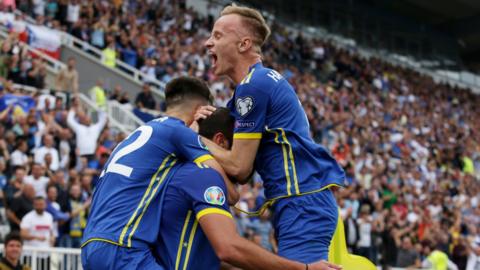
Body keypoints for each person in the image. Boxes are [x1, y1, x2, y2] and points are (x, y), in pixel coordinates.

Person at [202, 4, 345, 263]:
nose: (208, 42)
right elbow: (242, 173)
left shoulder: (254, 86)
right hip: (299, 202)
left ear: (244, 44)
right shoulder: (258, 84)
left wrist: (192, 138)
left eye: (218, 36)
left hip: (302, 203)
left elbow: (238, 166)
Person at [155, 108, 341, 270]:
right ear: (219, 141)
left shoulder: (184, 169)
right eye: (240, 149)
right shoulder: (202, 174)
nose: (248, 163)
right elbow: (228, 249)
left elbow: (213, 258)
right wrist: (304, 268)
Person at [81, 77, 238, 269]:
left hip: (91, 244)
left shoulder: (138, 134)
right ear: (199, 110)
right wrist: (197, 136)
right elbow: (230, 194)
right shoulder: (178, 132)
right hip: (123, 246)